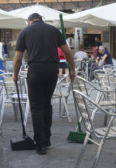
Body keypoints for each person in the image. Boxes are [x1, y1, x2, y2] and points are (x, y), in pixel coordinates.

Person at [12, 13, 75, 155]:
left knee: (36, 107)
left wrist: (15, 75)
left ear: (29, 22)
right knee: (47, 104)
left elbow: (17, 58)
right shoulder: (54, 30)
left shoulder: (24, 32)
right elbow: (68, 53)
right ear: (41, 20)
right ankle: (47, 139)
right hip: (53, 69)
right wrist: (72, 70)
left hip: (35, 70)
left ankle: (40, 143)